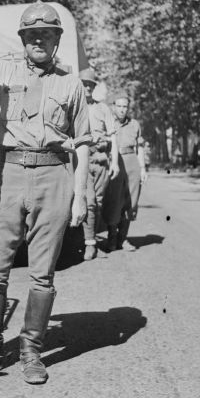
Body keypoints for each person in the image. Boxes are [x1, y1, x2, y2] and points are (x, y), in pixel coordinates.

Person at [0, 2, 91, 385]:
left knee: (42, 274)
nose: (38, 39)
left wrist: (80, 194)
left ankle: (31, 351)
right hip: (8, 173)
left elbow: (82, 143)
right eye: (31, 34)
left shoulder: (71, 84)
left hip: (54, 175)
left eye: (47, 34)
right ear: (22, 39)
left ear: (56, 41)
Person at [79, 68, 119, 261]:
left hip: (102, 160)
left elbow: (113, 135)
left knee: (99, 202)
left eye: (90, 84)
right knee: (89, 202)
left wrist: (116, 162)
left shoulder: (103, 108)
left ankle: (90, 238)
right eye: (84, 83)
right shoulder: (73, 107)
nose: (87, 87)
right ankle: (89, 244)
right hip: (82, 160)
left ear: (94, 87)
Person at [102, 91, 147, 252]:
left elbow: (140, 147)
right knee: (114, 201)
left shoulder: (134, 124)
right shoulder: (107, 122)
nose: (122, 109)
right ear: (113, 107)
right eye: (119, 106)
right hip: (114, 162)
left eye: (125, 106)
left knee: (131, 201)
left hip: (131, 161)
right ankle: (112, 238)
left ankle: (123, 238)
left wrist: (142, 168)